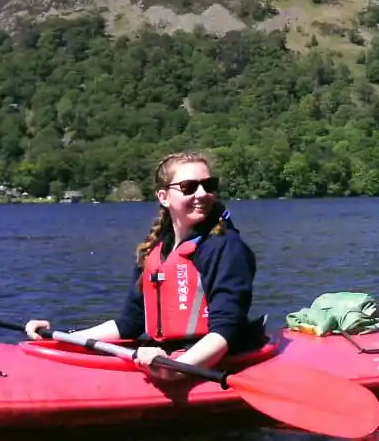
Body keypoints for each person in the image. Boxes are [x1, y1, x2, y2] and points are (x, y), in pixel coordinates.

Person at [25, 151, 265, 380]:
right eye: (189, 187)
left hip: (205, 360)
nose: (202, 194)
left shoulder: (226, 248)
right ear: (163, 197)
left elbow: (225, 330)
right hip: (166, 357)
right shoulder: (155, 251)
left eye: (208, 185)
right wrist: (62, 339)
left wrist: (175, 370)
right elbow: (129, 324)